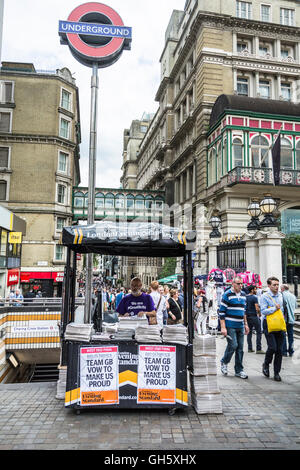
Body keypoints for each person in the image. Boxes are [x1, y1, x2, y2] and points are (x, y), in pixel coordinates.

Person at [219, 276, 249, 379]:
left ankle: (239, 370)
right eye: (238, 284)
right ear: (233, 284)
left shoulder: (244, 295)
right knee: (233, 345)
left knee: (240, 348)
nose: (241, 286)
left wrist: (246, 324)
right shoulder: (227, 294)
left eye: (242, 284)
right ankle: (224, 361)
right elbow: (221, 312)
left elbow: (244, 311)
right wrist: (223, 327)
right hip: (230, 325)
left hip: (240, 325)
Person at [260, 277, 286, 382]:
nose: (276, 287)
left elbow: (283, 309)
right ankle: (266, 364)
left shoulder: (280, 295)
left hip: (279, 324)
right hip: (269, 324)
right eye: (274, 285)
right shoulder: (264, 296)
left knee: (279, 350)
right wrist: (274, 308)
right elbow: (263, 311)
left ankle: (276, 373)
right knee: (272, 347)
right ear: (269, 286)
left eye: (277, 285)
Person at [246, 285, 264, 354]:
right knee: (259, 331)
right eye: (255, 289)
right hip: (253, 316)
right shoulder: (254, 297)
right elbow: (257, 307)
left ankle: (250, 348)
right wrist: (259, 314)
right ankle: (258, 348)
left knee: (249, 332)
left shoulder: (246, 297)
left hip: (247, 316)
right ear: (252, 290)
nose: (256, 290)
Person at [281, 284, 297, 357]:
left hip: (284, 318)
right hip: (291, 318)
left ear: (283, 289)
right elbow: (296, 306)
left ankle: (284, 351)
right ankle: (291, 351)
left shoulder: (282, 295)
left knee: (283, 335)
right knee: (291, 336)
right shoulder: (293, 296)